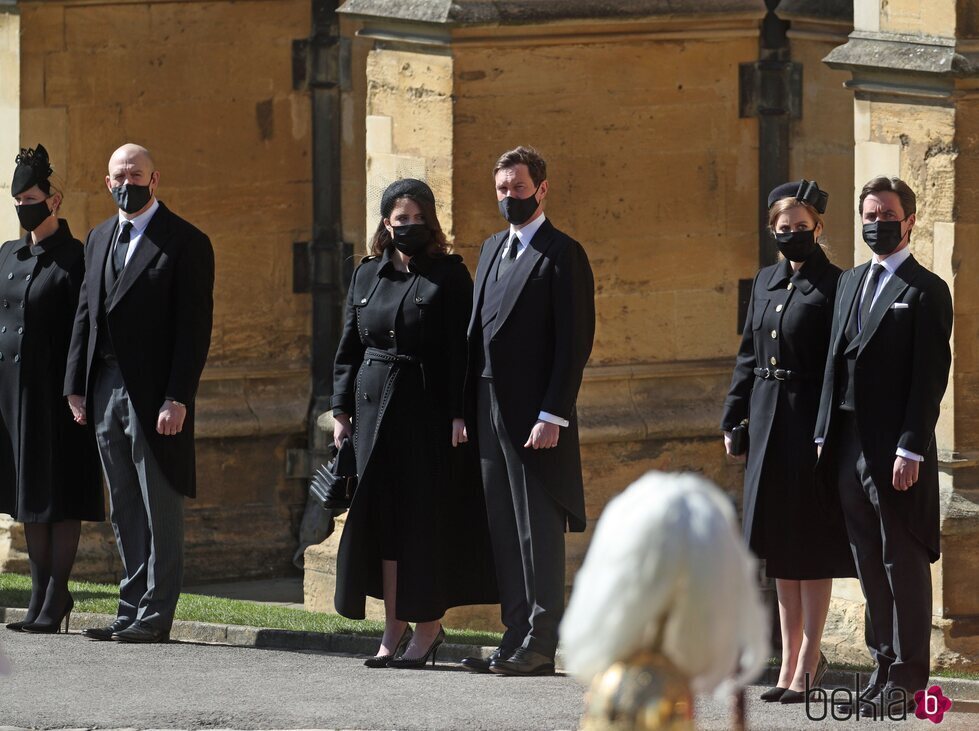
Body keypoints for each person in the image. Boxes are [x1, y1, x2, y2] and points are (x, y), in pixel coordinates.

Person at [330, 178, 497, 669]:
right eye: (401, 220)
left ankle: (427, 629)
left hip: (426, 413)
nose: (409, 227)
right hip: (370, 410)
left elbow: (463, 354)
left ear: (431, 222)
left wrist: (460, 413)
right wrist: (340, 412)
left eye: (418, 219)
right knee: (382, 522)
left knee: (421, 524)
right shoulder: (366, 275)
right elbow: (348, 348)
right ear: (386, 223)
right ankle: (392, 628)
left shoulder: (449, 275)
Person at [65, 143, 214, 644]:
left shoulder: (186, 242)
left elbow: (193, 331)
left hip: (155, 397)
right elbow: (86, 315)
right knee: (124, 503)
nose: (125, 184)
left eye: (135, 175)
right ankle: (129, 607)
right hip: (104, 387)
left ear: (155, 180)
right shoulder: (98, 237)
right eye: (117, 176)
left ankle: (155, 614)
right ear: (107, 183)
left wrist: (178, 396)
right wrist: (75, 386)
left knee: (159, 503)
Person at [814, 176, 952, 717]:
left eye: (887, 214)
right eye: (869, 214)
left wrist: (912, 448)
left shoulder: (926, 290)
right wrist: (824, 431)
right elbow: (832, 362)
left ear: (909, 220)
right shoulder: (849, 282)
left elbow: (929, 379)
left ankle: (911, 679)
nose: (876, 223)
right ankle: (882, 664)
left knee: (902, 562)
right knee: (868, 561)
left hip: (896, 452)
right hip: (848, 446)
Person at [461, 146, 595, 677]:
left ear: (541, 189)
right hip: (488, 406)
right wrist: (461, 410)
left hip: (536, 417)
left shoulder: (563, 254)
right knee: (501, 525)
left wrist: (553, 414)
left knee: (536, 530)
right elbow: (477, 337)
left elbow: (574, 343)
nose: (508, 198)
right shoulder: (493, 247)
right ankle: (513, 635)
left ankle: (541, 643)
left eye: (518, 188)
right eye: (501, 189)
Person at [721, 180, 855, 704]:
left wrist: (828, 430)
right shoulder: (765, 281)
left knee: (811, 547)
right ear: (771, 228)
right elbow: (747, 356)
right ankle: (787, 658)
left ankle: (808, 658)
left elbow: (836, 368)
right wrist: (734, 417)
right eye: (784, 227)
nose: (793, 234)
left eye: (803, 227)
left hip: (808, 427)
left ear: (819, 229)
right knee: (779, 547)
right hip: (765, 421)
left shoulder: (836, 285)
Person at [0, 145, 103, 634]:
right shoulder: (8, 254)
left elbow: (85, 329)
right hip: (11, 395)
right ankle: (40, 597)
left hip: (57, 395)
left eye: (32, 197)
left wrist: (76, 388)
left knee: (58, 494)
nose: (24, 206)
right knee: (28, 494)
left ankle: (56, 594)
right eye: (17, 199)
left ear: (55, 199)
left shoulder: (76, 258)